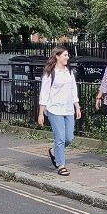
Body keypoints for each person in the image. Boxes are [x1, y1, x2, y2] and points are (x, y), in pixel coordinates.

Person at [37, 47, 81, 176]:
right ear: (57, 56)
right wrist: (41, 113)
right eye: (65, 55)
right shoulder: (50, 73)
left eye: (68, 55)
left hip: (68, 109)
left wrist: (77, 106)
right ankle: (61, 165)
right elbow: (44, 93)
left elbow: (73, 90)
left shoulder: (69, 71)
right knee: (60, 138)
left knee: (69, 138)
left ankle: (55, 151)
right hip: (54, 109)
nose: (67, 57)